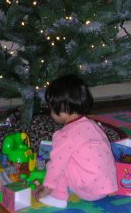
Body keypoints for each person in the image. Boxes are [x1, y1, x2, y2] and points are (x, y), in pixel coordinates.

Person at [34, 74, 118, 208]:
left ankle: (58, 197)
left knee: (59, 162)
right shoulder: (92, 124)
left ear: (63, 109)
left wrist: (47, 188)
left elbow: (56, 166)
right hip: (108, 186)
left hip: (90, 191)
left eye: (51, 109)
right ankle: (74, 186)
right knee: (75, 156)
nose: (50, 113)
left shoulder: (65, 135)